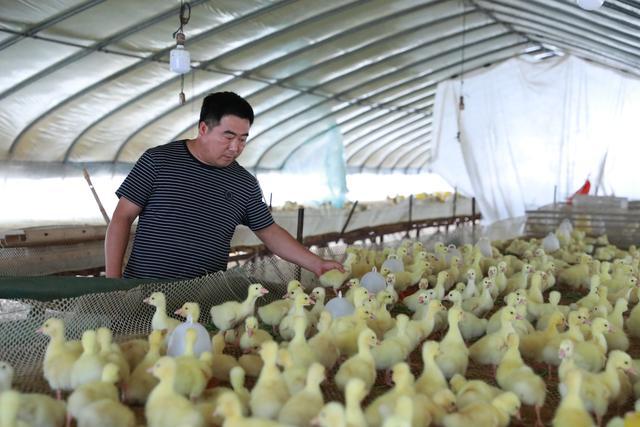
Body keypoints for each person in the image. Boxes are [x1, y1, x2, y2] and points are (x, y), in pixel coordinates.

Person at [105, 91, 343, 279]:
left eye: (242, 139)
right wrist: (113, 282)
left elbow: (269, 232)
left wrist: (317, 263)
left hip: (205, 295)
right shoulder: (158, 161)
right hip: (145, 287)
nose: (235, 148)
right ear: (203, 129)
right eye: (228, 137)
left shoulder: (244, 184)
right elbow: (122, 218)